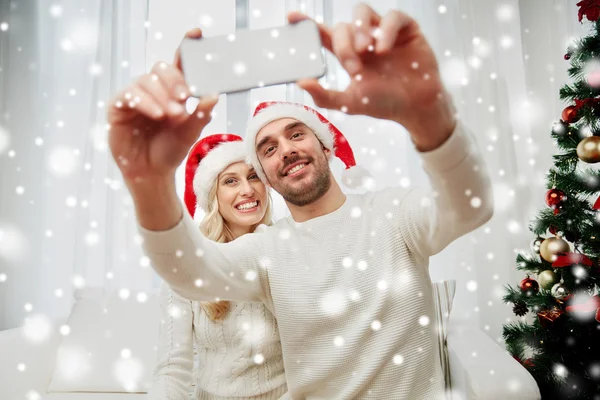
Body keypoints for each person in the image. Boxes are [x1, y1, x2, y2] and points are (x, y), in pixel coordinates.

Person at [108, 4, 494, 399]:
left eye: (296, 134)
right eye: (268, 148)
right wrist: (148, 181)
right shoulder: (266, 251)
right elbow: (189, 273)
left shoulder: (393, 213)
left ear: (326, 148)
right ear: (268, 177)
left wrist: (431, 117)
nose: (286, 151)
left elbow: (470, 206)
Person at [148, 134, 287, 399]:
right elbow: (172, 369)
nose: (247, 190)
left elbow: (309, 359)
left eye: (254, 176)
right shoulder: (187, 265)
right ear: (213, 196)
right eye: (231, 181)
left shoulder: (286, 249)